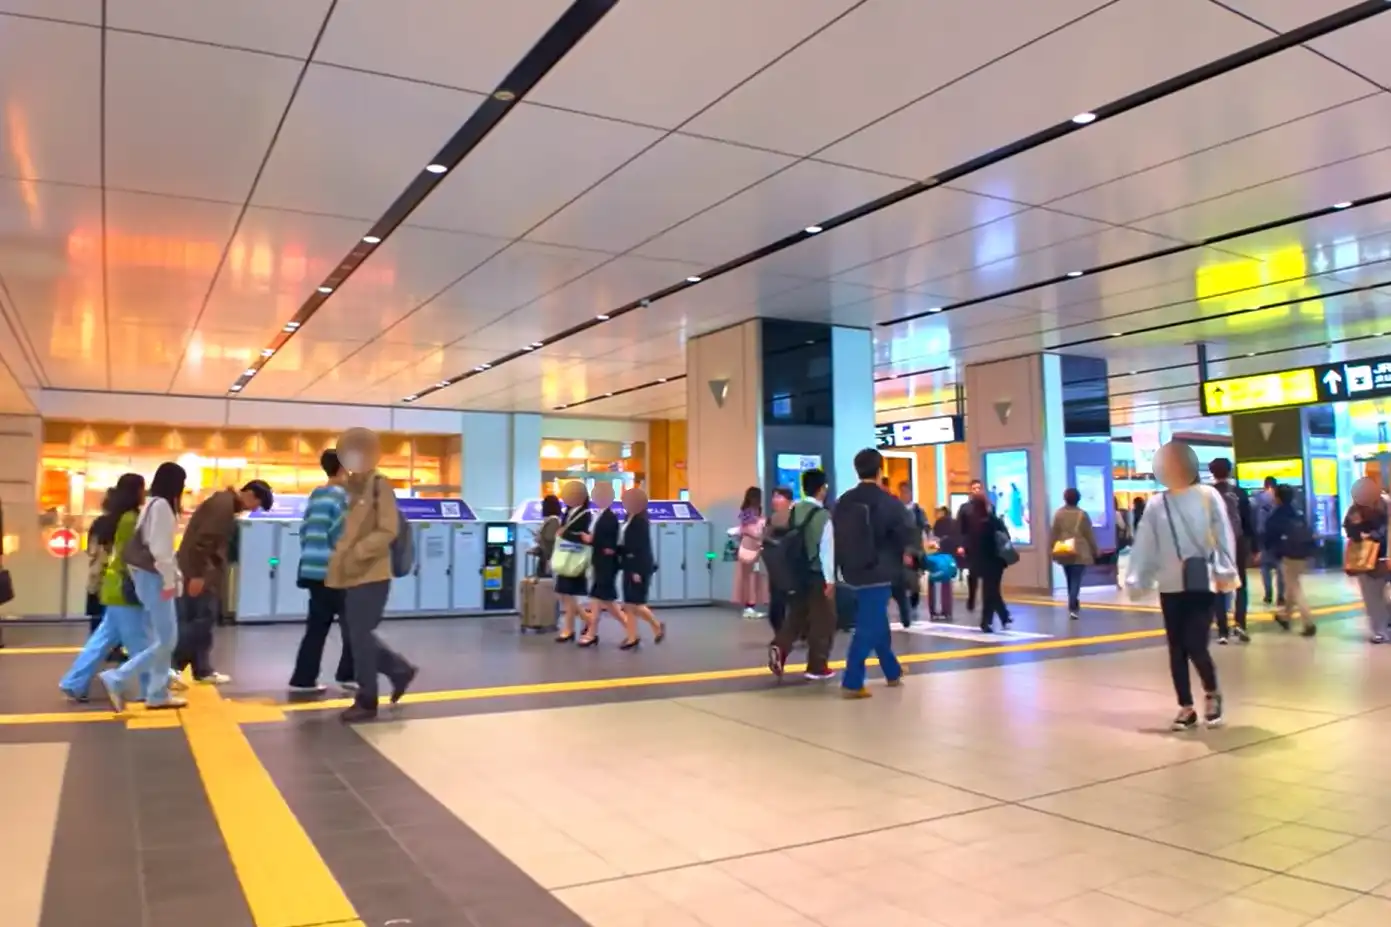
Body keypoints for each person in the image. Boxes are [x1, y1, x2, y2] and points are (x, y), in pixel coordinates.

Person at [1125, 441, 1235, 731]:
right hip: (1170, 584)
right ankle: (1185, 706)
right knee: (1176, 648)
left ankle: (1211, 693)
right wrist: (1139, 576)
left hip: (1202, 581)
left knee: (1196, 643)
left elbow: (1223, 535)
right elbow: (1146, 543)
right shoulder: (1156, 503)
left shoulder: (1208, 496)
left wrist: (1226, 569)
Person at [327, 428, 418, 723]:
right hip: (349, 573)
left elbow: (388, 529)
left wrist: (358, 553)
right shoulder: (349, 489)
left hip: (371, 573)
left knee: (360, 636)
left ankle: (367, 700)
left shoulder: (380, 486)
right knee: (357, 635)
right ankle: (399, 670)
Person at [99, 462, 188, 711]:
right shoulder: (162, 508)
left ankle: (157, 694)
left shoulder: (150, 504)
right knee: (167, 640)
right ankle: (117, 678)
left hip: (145, 577)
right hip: (157, 578)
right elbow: (161, 551)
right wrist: (171, 580)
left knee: (162, 638)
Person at [174, 478, 273, 685]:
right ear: (250, 494)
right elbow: (203, 543)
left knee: (203, 620)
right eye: (257, 504)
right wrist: (198, 575)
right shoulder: (223, 507)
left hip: (203, 573)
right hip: (200, 574)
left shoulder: (224, 504)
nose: (254, 509)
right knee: (198, 621)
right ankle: (175, 669)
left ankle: (201, 669)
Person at [59, 474, 150, 702]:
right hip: (125, 588)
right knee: (141, 643)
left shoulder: (111, 518)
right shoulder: (130, 519)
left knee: (102, 640)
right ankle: (154, 690)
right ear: (136, 491)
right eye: (142, 489)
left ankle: (74, 682)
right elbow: (132, 557)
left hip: (111, 586)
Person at [835, 449, 914, 698]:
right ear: (880, 471)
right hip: (878, 572)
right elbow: (905, 535)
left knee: (877, 621)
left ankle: (892, 671)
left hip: (851, 570)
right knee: (868, 628)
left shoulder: (844, 501)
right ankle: (852, 680)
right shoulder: (889, 502)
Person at [289, 450, 354, 694]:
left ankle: (303, 679)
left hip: (313, 570)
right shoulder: (341, 498)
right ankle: (349, 675)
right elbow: (341, 536)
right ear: (343, 469)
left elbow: (305, 531)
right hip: (335, 572)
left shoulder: (316, 496)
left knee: (316, 627)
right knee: (354, 624)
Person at [767, 469, 837, 681]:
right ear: (822, 489)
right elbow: (826, 551)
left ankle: (779, 647)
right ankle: (817, 666)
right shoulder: (823, 516)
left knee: (796, 616)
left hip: (796, 573)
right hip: (817, 574)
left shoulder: (794, 510)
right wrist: (830, 580)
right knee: (823, 621)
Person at [1208, 458, 1255, 644]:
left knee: (1219, 587)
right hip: (1238, 543)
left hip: (1217, 545)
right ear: (1230, 471)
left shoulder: (1207, 494)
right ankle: (1240, 624)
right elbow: (1247, 521)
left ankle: (1222, 631)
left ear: (1212, 472)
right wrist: (1255, 547)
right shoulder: (1239, 493)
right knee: (1241, 585)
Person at [584, 482, 633, 648]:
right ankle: (592, 632)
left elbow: (609, 545)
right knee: (599, 601)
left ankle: (629, 630)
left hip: (606, 565)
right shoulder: (600, 515)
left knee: (607, 602)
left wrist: (591, 540)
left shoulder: (609, 518)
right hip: (600, 563)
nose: (596, 498)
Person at [1265, 483, 1316, 637]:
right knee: (1291, 586)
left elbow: (1269, 536)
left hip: (1288, 555)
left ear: (1278, 497)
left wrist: (1268, 551)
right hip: (1303, 553)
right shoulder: (1298, 512)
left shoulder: (1277, 515)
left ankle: (1308, 622)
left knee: (1294, 587)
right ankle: (1285, 617)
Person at [1344, 477, 1390, 643]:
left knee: (1375, 597)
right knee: (1373, 597)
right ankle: (1381, 629)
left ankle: (1382, 627)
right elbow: (1349, 529)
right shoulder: (1356, 510)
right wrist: (1360, 533)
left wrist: (1369, 534)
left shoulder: (1384, 505)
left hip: (1380, 556)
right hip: (1367, 559)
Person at [618, 487, 665, 644]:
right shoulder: (628, 518)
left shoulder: (640, 521)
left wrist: (636, 570)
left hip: (638, 567)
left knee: (634, 604)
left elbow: (640, 547)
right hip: (628, 565)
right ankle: (634, 635)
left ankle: (654, 626)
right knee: (630, 605)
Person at [553, 480, 595, 643]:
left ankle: (569, 629)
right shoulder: (568, 512)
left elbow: (583, 537)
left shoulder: (586, 514)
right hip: (566, 557)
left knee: (569, 595)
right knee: (565, 595)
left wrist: (564, 533)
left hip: (575, 559)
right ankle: (587, 619)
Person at [1050, 488, 1098, 619]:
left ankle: (1073, 601)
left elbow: (1054, 532)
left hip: (1064, 549)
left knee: (1069, 577)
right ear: (1078, 499)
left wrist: (1051, 548)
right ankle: (1073, 604)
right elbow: (1089, 534)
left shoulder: (1058, 514)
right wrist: (1095, 549)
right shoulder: (1082, 515)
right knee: (1076, 578)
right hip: (1080, 550)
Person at [891, 481, 927, 628]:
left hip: (916, 551)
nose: (904, 494)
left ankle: (911, 606)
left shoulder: (918, 511)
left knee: (914, 583)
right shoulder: (896, 510)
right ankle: (906, 612)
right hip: (901, 551)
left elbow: (925, 527)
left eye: (906, 491)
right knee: (901, 582)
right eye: (902, 491)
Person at [763, 487, 795, 633]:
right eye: (774, 497)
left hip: (791, 564)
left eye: (779, 497)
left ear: (788, 500)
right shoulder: (772, 518)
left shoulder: (795, 516)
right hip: (776, 566)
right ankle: (781, 631)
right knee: (777, 602)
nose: (775, 500)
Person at [732, 487, 767, 619]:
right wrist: (760, 534)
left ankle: (751, 605)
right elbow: (748, 530)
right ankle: (749, 606)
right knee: (750, 578)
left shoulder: (751, 512)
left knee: (752, 577)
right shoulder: (749, 512)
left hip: (753, 547)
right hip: (749, 547)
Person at [956, 479, 990, 611]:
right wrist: (961, 545)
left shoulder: (987, 507)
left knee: (988, 577)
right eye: (974, 488)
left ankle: (988, 603)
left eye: (979, 488)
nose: (976, 490)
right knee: (973, 574)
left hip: (986, 546)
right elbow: (960, 528)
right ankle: (972, 598)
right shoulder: (965, 508)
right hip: (972, 545)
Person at [1252, 475, 1284, 607]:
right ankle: (1281, 596)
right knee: (1280, 567)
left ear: (1265, 485)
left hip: (1263, 535)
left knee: (1265, 567)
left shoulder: (1258, 498)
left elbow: (1253, 514)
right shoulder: (1280, 498)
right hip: (1279, 536)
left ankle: (1268, 595)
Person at [928, 506, 958, 621]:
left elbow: (933, 540)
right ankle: (947, 610)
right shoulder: (954, 524)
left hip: (938, 556)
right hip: (949, 557)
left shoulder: (939, 523)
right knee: (946, 583)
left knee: (934, 581)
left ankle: (934, 609)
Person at [533, 494, 563, 577]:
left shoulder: (553, 521)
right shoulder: (551, 520)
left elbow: (550, 540)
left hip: (549, 559)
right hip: (547, 558)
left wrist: (539, 538)